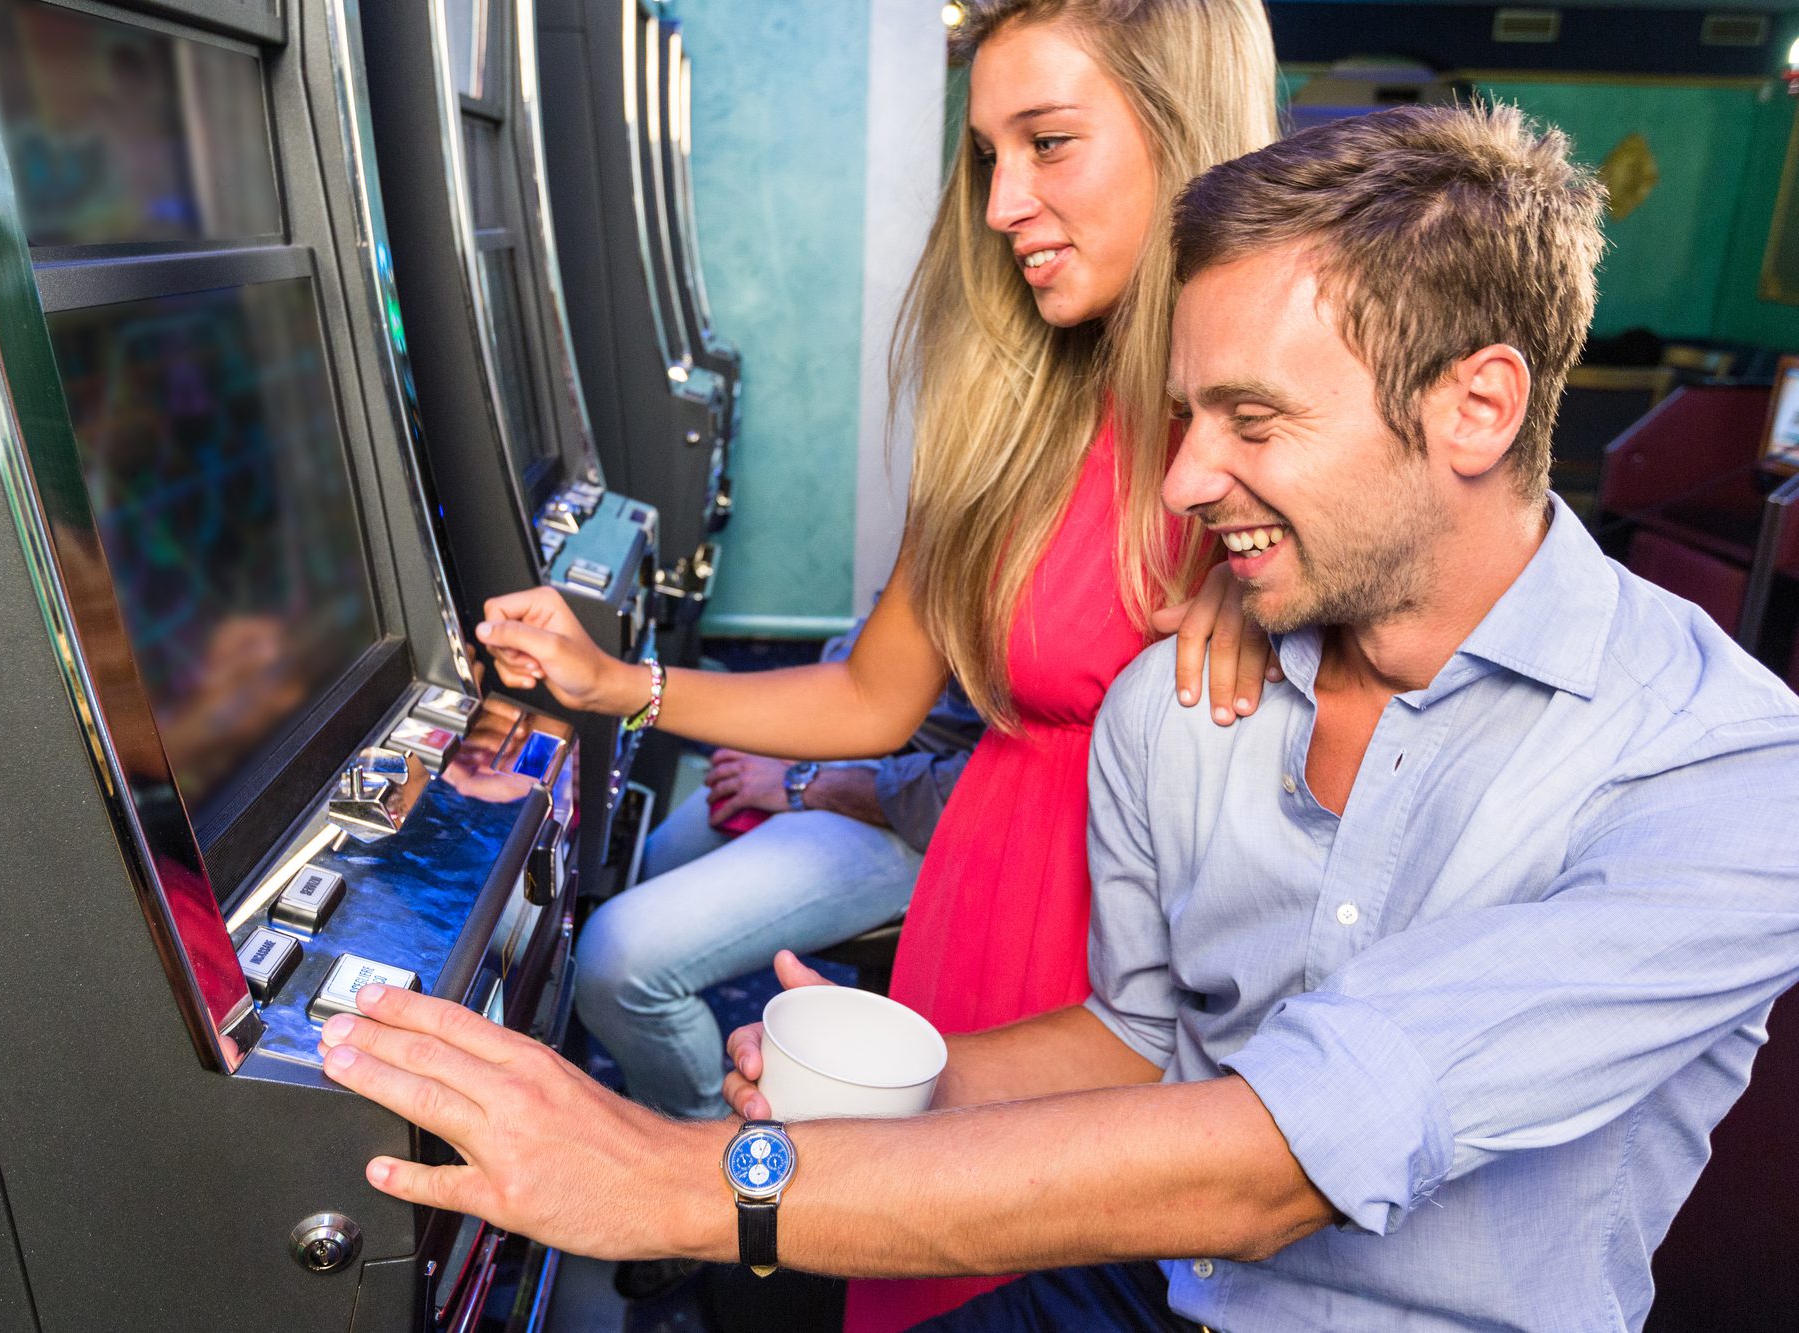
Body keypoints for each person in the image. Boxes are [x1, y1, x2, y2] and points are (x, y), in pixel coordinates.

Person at [316, 103, 1799, 1330]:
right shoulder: (1182, 695)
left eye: (1253, 420)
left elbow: (1280, 1162)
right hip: (1146, 1289)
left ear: (1477, 407)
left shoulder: (1726, 771)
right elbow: (1144, 1037)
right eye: (1186, 417)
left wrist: (683, 1180)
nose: (1185, 482)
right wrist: (908, 1081)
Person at [476, 7, 1278, 1318]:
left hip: (1123, 970)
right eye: (986, 157)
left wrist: (1279, 583)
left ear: (1183, 132)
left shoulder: (1282, 450)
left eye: (1049, 143)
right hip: (981, 897)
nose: (1002, 205)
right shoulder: (1017, 413)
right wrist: (625, 688)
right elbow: (874, 694)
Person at [577, 623, 982, 1128]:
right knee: (642, 869)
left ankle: (702, 1141)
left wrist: (809, 782)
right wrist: (805, 731)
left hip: (939, 814)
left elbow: (973, 789)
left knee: (617, 958)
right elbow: (870, 654)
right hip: (868, 744)